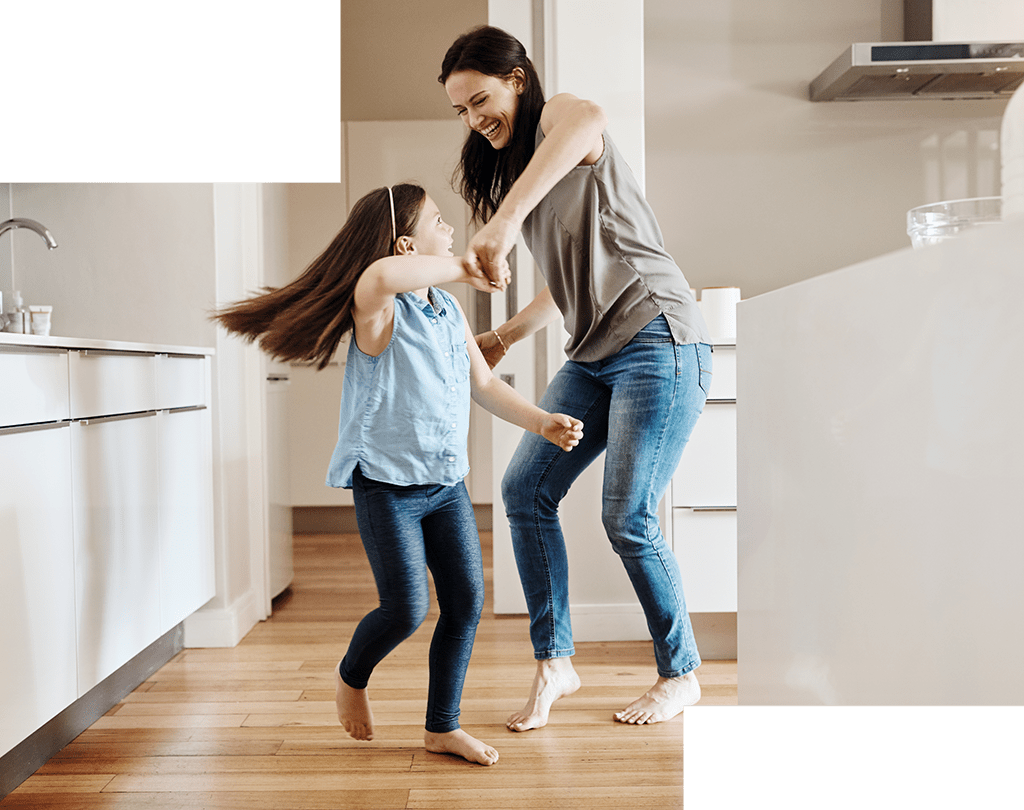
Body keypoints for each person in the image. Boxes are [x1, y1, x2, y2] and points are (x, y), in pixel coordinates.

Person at [213, 182, 584, 766]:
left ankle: (442, 727)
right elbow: (379, 277)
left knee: (464, 602)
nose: (452, 231)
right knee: (407, 607)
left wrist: (541, 424)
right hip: (386, 485)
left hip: (445, 485)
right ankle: (352, 676)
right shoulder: (379, 311)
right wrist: (465, 265)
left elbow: (483, 384)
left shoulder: (446, 309)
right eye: (440, 222)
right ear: (407, 245)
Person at [439, 26, 714, 731]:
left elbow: (591, 117)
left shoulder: (563, 118)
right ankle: (555, 661)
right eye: (462, 112)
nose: (475, 119)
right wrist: (501, 334)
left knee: (628, 515)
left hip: (658, 336)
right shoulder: (521, 168)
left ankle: (680, 674)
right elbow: (569, 284)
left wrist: (502, 224)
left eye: (481, 100)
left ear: (517, 81)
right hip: (593, 351)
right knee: (524, 490)